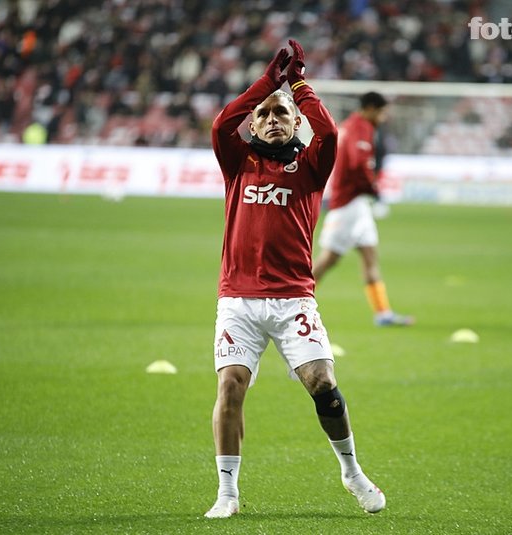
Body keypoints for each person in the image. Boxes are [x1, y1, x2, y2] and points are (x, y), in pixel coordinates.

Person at [205, 39, 385, 519]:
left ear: (294, 122)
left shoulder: (310, 166)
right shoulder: (237, 162)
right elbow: (222, 123)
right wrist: (268, 82)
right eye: (263, 114)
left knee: (322, 380)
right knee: (230, 387)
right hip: (238, 300)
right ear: (253, 124)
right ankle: (227, 492)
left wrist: (298, 85)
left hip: (292, 300)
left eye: (280, 113)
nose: (271, 119)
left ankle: (351, 471)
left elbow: (328, 131)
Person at [312, 92, 414, 327]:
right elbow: (359, 162)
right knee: (328, 260)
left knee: (370, 257)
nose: (384, 118)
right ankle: (294, 301)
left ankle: (383, 313)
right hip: (347, 204)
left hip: (357, 203)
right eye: (382, 112)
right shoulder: (361, 127)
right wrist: (373, 188)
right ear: (370, 108)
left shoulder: (348, 126)